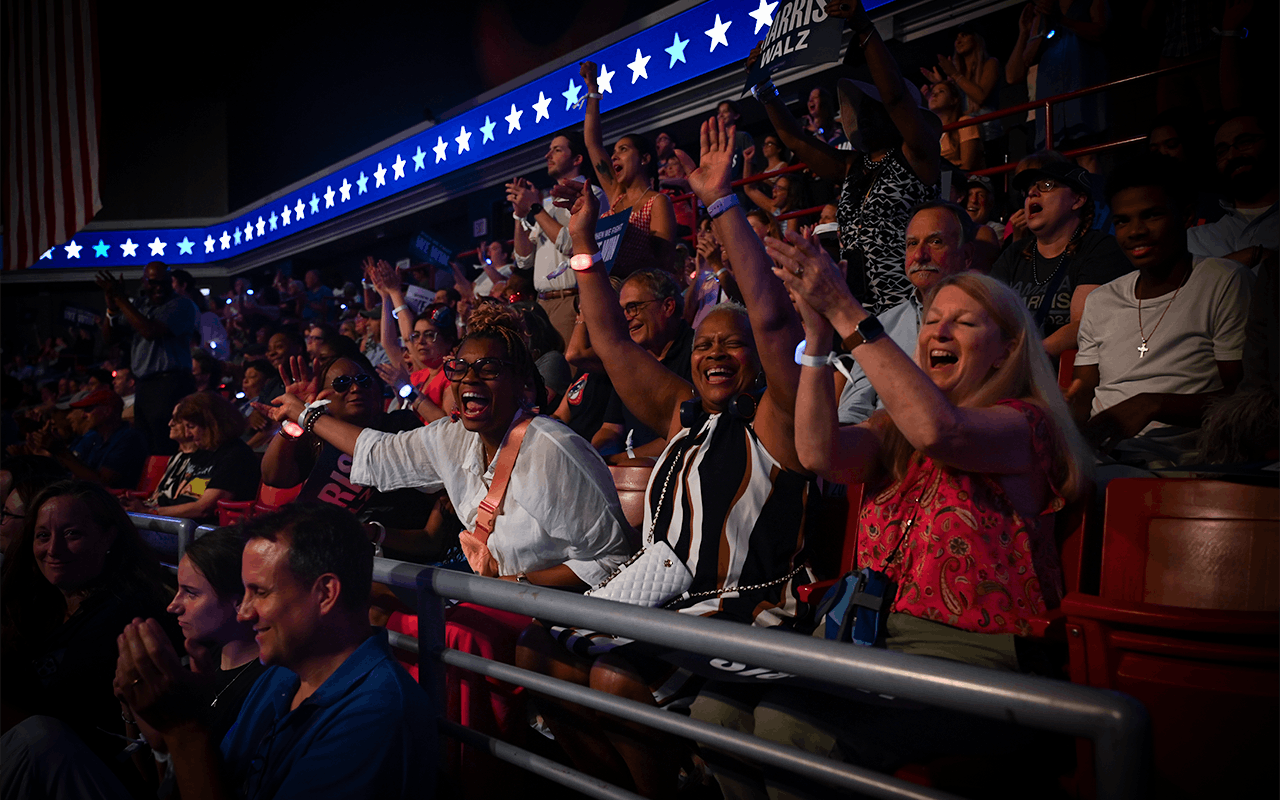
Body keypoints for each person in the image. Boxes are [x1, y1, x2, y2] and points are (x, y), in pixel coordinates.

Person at [693, 237, 1092, 799]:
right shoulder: (895, 426)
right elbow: (819, 453)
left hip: (981, 661)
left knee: (792, 725)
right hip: (875, 644)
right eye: (931, 321)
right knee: (718, 709)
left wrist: (845, 309)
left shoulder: (1026, 424)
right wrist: (817, 341)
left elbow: (941, 432)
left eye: (964, 323)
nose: (939, 333)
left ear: (1006, 351)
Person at [515, 116, 814, 799]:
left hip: (741, 612)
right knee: (536, 651)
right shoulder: (687, 414)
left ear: (758, 361)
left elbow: (772, 320)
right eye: (704, 344)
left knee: (612, 675)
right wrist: (582, 245)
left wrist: (722, 202)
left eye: (730, 345)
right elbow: (612, 343)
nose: (713, 353)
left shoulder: (776, 417)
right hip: (667, 601)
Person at [257, 311, 635, 793]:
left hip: (558, 601)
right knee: (378, 602)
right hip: (498, 593)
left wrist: (514, 586)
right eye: (460, 368)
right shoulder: (454, 437)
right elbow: (378, 453)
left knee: (455, 629)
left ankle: (478, 776)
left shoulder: (553, 449)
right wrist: (304, 415)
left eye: (489, 368)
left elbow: (609, 561)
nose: (470, 379)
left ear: (523, 385)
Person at [114, 503, 437, 799]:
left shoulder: (374, 716)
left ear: (325, 593)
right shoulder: (284, 674)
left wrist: (185, 730)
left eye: (260, 592)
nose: (244, 613)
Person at [752, 1, 941, 315]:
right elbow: (795, 140)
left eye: (874, 109)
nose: (863, 115)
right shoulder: (853, 165)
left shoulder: (918, 155)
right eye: (861, 109)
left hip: (908, 305)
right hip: (857, 309)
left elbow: (895, 97)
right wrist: (764, 88)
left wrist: (863, 28)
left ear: (896, 116)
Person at [1069, 156, 1252, 468]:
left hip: (1183, 463)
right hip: (1102, 456)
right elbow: (1083, 391)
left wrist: (1152, 405)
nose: (1135, 231)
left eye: (1151, 215)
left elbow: (1243, 397)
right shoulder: (1102, 299)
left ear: (1186, 216)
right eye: (1122, 221)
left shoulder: (1223, 281)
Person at [0, 480, 176, 783]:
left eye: (72, 534)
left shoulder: (128, 616)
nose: (53, 549)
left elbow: (59, 719)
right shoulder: (37, 597)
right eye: (43, 536)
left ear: (109, 536)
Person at [123, 527, 264, 792]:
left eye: (190, 592)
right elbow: (151, 783)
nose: (173, 605)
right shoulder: (203, 657)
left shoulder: (264, 688)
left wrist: (166, 741)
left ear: (241, 601)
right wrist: (132, 708)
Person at [839, 201, 979, 424]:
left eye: (935, 242)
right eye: (912, 244)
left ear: (967, 254)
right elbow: (854, 407)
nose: (920, 255)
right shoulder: (883, 323)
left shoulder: (989, 320)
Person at [990, 153, 1130, 357]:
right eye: (1028, 190)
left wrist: (1024, 361)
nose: (1032, 193)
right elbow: (988, 314)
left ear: (1077, 200)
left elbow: (1082, 325)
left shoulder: (1100, 248)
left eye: (1047, 186)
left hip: (1062, 370)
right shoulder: (1014, 253)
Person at [508, 132, 607, 345]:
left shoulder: (592, 195)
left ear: (577, 159)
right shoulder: (545, 205)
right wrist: (520, 215)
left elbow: (572, 246)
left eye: (557, 150)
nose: (548, 155)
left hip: (571, 301)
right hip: (541, 304)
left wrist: (534, 208)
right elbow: (524, 260)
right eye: (549, 150)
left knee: (568, 364)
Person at [581, 61, 678, 278]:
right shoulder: (615, 194)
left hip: (638, 288)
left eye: (623, 149)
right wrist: (592, 89)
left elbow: (663, 263)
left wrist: (630, 239)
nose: (614, 156)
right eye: (614, 151)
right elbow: (593, 143)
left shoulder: (657, 202)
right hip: (609, 287)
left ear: (644, 158)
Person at [96, 262, 199, 455]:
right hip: (145, 385)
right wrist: (112, 308)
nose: (159, 287)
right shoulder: (139, 305)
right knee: (146, 445)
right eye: (153, 282)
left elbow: (150, 331)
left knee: (166, 443)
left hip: (171, 384)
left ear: (171, 281)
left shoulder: (181, 304)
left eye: (164, 282)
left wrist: (121, 299)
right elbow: (110, 339)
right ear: (143, 282)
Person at [594, 269, 695, 461]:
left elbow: (686, 433)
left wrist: (622, 460)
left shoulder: (698, 352)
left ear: (668, 306)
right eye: (623, 310)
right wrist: (593, 455)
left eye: (633, 307)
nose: (626, 317)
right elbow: (611, 428)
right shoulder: (630, 359)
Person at [145, 393, 260, 522]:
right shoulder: (202, 453)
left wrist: (150, 512)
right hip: (180, 524)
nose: (188, 434)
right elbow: (181, 500)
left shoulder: (236, 455)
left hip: (206, 529)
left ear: (212, 424)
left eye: (191, 427)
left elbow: (204, 509)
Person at [1187, 110, 1277, 272]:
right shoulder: (1196, 238)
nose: (1232, 155)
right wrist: (1252, 255)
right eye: (1222, 151)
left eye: (1245, 142)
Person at [920, 22, 1002, 162]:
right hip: (963, 137)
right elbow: (954, 104)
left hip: (988, 135)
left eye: (964, 35)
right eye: (956, 38)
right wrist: (940, 84)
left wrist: (954, 74)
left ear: (976, 38)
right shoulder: (958, 73)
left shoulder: (990, 63)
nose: (958, 41)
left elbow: (980, 97)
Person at [36, 388, 148, 489]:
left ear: (107, 411)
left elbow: (103, 483)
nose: (83, 415)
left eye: (88, 410)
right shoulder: (96, 437)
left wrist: (60, 450)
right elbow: (78, 473)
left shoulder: (129, 438)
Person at [926, 80, 983, 171]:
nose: (934, 95)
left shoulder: (964, 122)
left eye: (941, 91)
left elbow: (967, 166)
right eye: (932, 93)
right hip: (938, 176)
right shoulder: (929, 130)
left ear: (954, 100)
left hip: (956, 176)